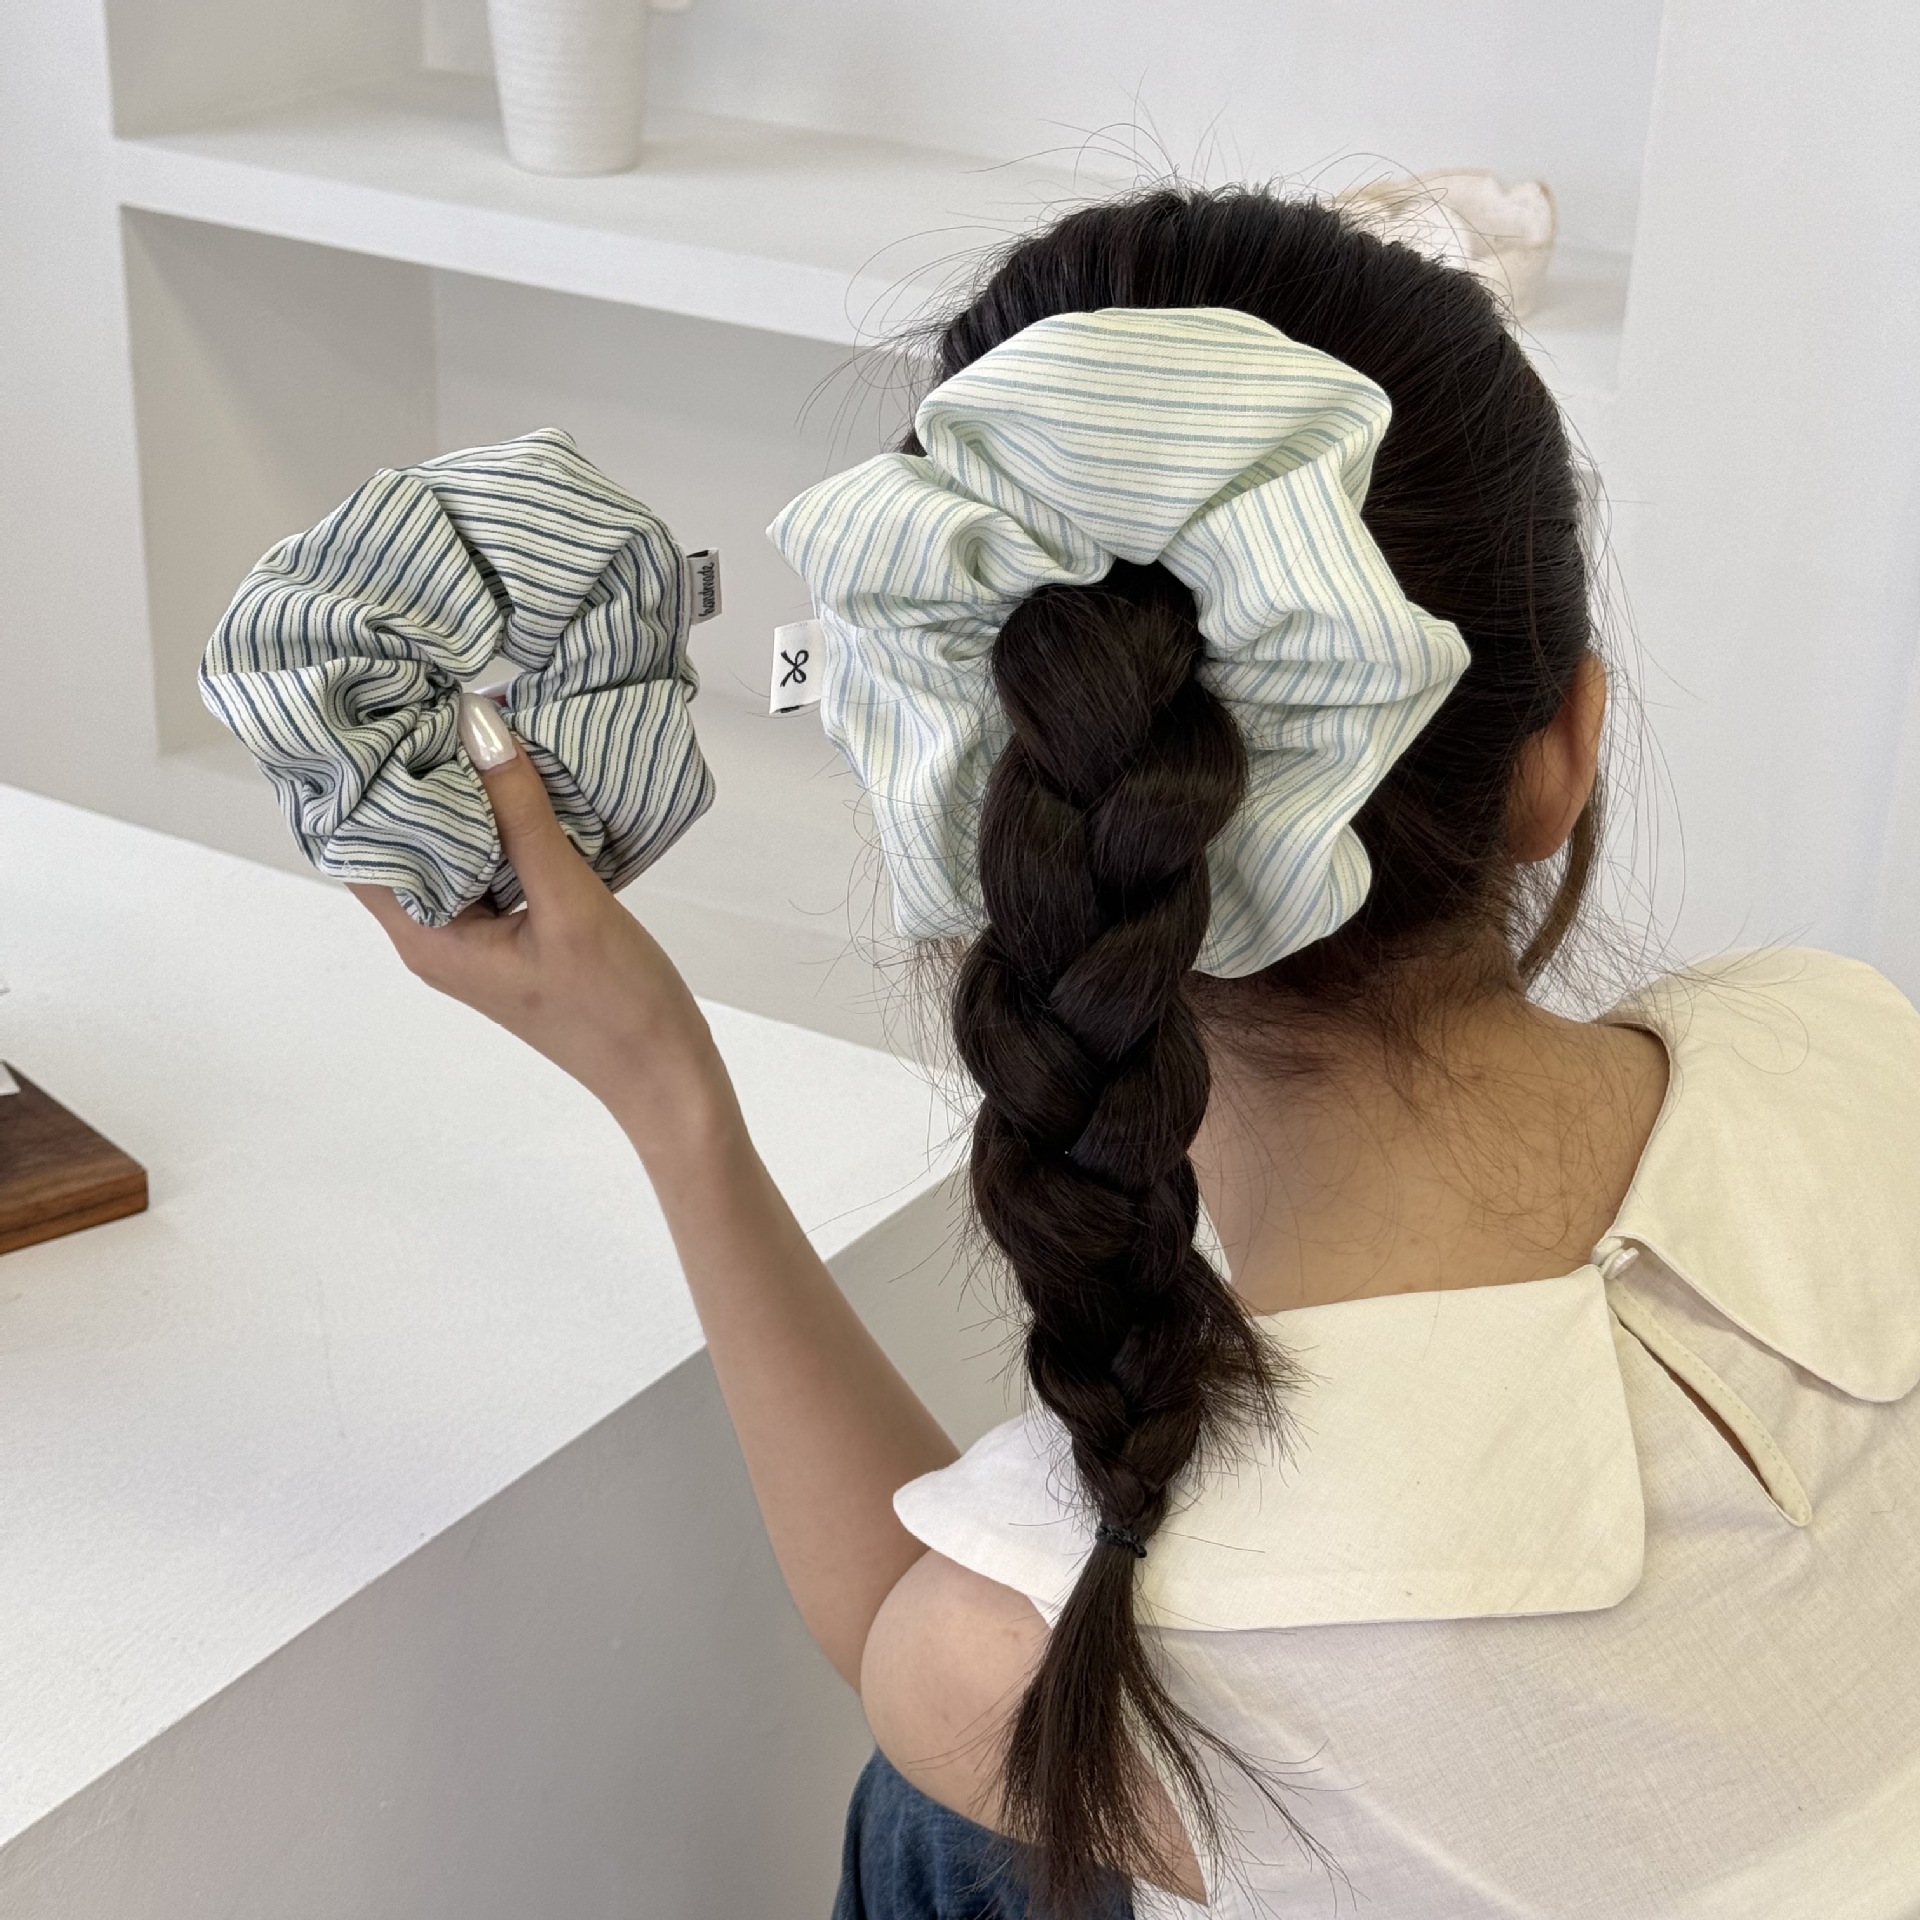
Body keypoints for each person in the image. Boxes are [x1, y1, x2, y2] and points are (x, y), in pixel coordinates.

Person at [353, 188, 1920, 1919]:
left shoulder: (1118, 1637)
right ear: (1562, 753)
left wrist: (670, 1095)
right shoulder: (1843, 1033)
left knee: (931, 1824)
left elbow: (927, 1652)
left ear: (988, 813)